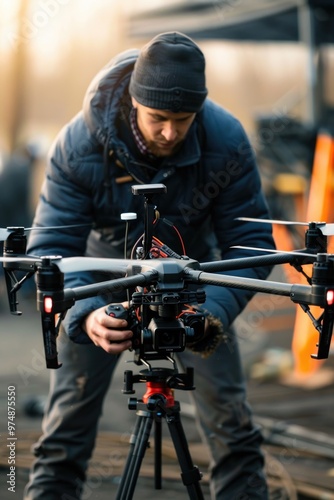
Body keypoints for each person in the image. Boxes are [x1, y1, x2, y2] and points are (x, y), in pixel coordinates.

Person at [24, 32, 275, 499]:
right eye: (158, 118)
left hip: (193, 289)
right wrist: (82, 315)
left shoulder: (227, 139)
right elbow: (53, 248)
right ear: (135, 103)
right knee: (65, 431)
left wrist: (211, 315)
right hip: (97, 284)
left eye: (183, 120)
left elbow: (251, 243)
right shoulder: (78, 144)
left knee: (234, 426)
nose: (169, 133)